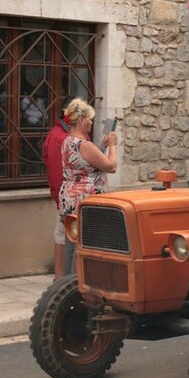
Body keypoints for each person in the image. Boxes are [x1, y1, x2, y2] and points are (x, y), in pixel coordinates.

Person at [58, 99, 118, 259]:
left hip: (70, 198)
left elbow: (86, 164)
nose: (92, 122)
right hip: (85, 199)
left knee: (71, 245)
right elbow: (111, 166)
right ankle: (79, 281)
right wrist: (112, 145)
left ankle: (67, 280)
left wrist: (102, 146)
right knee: (84, 247)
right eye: (89, 119)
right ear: (80, 120)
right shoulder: (84, 145)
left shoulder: (68, 141)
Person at [42, 108, 70, 280]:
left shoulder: (68, 136)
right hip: (66, 197)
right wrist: (61, 200)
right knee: (62, 236)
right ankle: (60, 277)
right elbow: (56, 172)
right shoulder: (59, 137)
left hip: (69, 197)